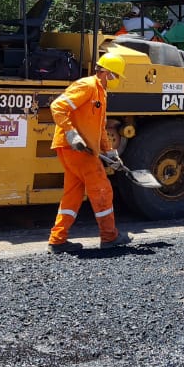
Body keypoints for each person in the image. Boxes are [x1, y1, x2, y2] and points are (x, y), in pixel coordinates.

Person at [47, 52, 133, 253]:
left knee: (72, 195)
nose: (116, 80)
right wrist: (71, 134)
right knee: (102, 190)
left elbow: (99, 128)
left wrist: (110, 153)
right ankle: (109, 237)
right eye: (115, 75)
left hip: (77, 150)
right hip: (76, 149)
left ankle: (57, 240)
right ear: (105, 72)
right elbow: (57, 106)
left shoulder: (100, 93)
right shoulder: (87, 86)